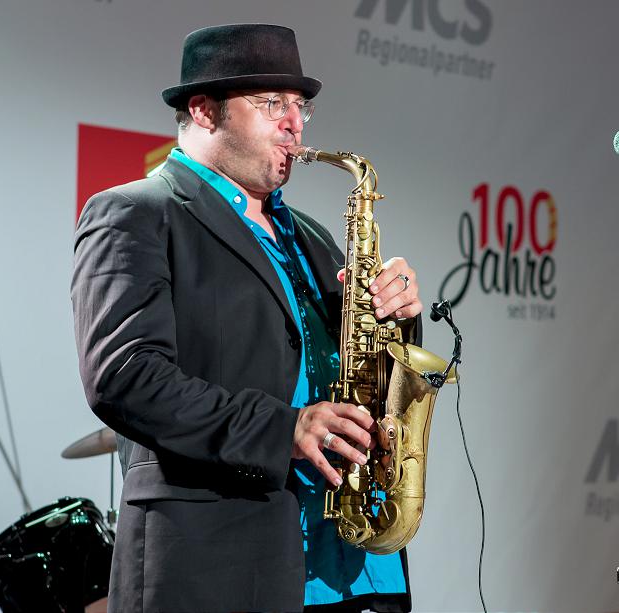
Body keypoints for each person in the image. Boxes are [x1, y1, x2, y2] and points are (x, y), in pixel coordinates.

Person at [72, 24, 423, 613]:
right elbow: (125, 376)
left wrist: (397, 318)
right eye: (271, 103)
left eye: (300, 106)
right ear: (203, 110)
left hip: (353, 567)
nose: (295, 123)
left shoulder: (313, 237)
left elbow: (366, 375)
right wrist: (283, 429)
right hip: (220, 567)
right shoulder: (133, 213)